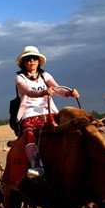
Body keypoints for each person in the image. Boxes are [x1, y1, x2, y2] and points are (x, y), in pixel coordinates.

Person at [14, 46, 79, 179]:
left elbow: (57, 88)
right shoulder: (20, 78)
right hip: (30, 114)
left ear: (38, 61)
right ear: (24, 62)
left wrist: (69, 93)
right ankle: (35, 164)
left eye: (34, 58)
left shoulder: (45, 75)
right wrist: (43, 92)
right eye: (28, 59)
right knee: (30, 135)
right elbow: (28, 92)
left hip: (49, 112)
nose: (32, 61)